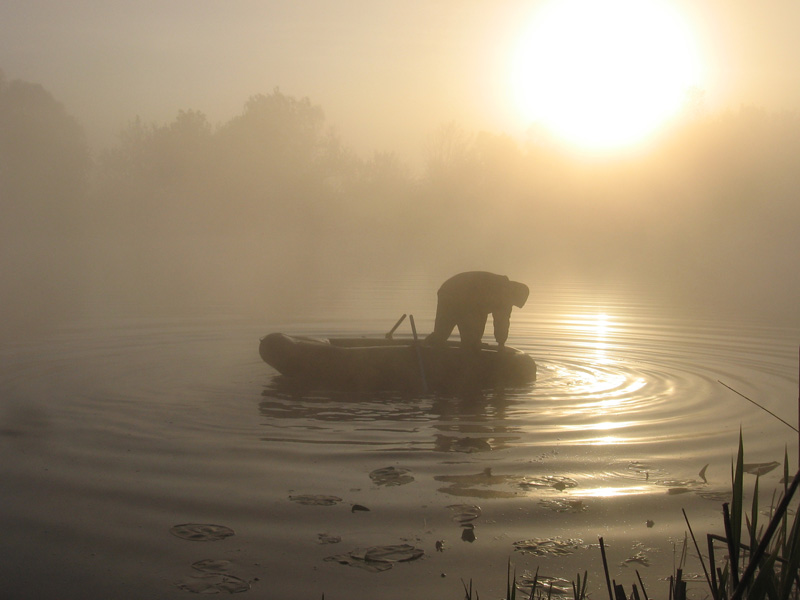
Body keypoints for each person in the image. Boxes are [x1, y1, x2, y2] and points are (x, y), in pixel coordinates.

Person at [425, 272, 529, 350]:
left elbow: (481, 315)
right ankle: (427, 351)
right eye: (515, 303)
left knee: (443, 334)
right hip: (454, 293)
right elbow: (501, 322)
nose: (512, 305)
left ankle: (429, 347)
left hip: (450, 290)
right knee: (466, 340)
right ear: (515, 295)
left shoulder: (503, 289)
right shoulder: (502, 293)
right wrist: (501, 344)